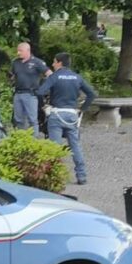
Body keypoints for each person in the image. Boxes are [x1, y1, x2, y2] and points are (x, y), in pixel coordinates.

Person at [37, 52, 97, 185]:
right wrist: (83, 109)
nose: (52, 64)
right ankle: (81, 175)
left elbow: (40, 92)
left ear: (59, 63)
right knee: (75, 146)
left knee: (54, 147)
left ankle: (54, 176)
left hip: (56, 114)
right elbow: (92, 94)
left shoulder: (54, 77)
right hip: (72, 115)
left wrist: (44, 106)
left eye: (54, 62)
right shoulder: (77, 77)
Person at [9, 42, 51, 136]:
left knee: (32, 120)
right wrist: (11, 80)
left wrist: (44, 88)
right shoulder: (15, 62)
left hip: (31, 94)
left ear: (28, 50)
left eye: (20, 51)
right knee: (18, 119)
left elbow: (49, 74)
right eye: (18, 50)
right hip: (18, 93)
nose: (18, 53)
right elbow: (12, 75)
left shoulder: (37, 62)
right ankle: (21, 139)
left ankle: (34, 142)